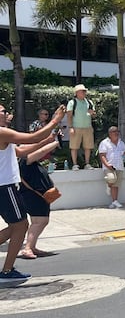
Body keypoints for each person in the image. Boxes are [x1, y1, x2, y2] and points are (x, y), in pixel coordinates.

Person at [0, 103, 66, 283]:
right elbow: (32, 137)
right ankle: (6, 271)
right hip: (4, 187)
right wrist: (56, 120)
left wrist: (47, 141)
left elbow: (20, 151)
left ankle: (7, 270)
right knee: (21, 226)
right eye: (3, 111)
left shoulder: (4, 136)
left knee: (16, 227)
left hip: (6, 187)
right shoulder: (2, 132)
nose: (7, 114)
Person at [17, 135, 61, 260]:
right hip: (34, 196)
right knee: (40, 221)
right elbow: (42, 151)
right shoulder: (24, 160)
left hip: (36, 196)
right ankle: (28, 248)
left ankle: (32, 246)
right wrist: (55, 143)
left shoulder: (28, 161)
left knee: (37, 221)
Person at [66, 83, 96, 170]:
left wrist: (93, 113)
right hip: (76, 127)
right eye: (82, 91)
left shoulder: (89, 102)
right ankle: (75, 164)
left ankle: (87, 164)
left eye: (84, 91)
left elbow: (94, 115)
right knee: (74, 147)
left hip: (88, 127)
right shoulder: (72, 102)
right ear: (77, 92)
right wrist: (71, 127)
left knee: (88, 146)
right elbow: (69, 116)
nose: (84, 93)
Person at [98, 126, 125, 209]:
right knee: (111, 179)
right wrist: (107, 165)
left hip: (119, 166)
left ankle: (114, 201)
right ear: (110, 133)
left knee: (116, 185)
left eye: (117, 131)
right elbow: (102, 155)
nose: (116, 133)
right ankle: (108, 185)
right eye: (114, 131)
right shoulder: (104, 143)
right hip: (109, 166)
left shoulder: (121, 143)